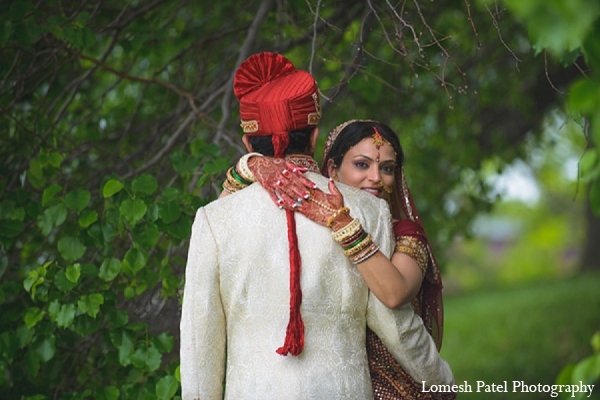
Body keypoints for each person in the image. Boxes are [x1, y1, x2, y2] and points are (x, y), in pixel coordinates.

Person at [180, 52, 454, 400]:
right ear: (314, 136)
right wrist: (442, 381)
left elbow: (199, 340)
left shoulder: (213, 218)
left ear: (249, 142)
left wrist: (247, 166)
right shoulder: (368, 210)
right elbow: (395, 325)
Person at [231, 120, 451, 399]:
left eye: (386, 169)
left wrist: (343, 224)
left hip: (399, 388)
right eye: (362, 165)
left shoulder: (404, 234)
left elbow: (395, 295)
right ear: (333, 169)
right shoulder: (311, 227)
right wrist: (248, 166)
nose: (376, 178)